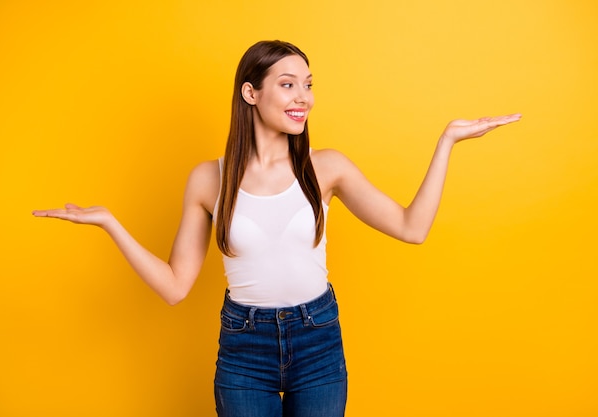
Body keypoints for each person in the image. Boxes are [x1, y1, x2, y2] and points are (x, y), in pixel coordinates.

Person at [33, 40, 521, 416]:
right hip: (244, 347)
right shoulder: (209, 178)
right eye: (288, 84)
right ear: (252, 92)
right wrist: (110, 223)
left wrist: (448, 142)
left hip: (317, 339)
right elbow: (176, 287)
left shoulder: (326, 168)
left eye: (308, 84)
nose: (303, 97)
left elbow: (412, 228)